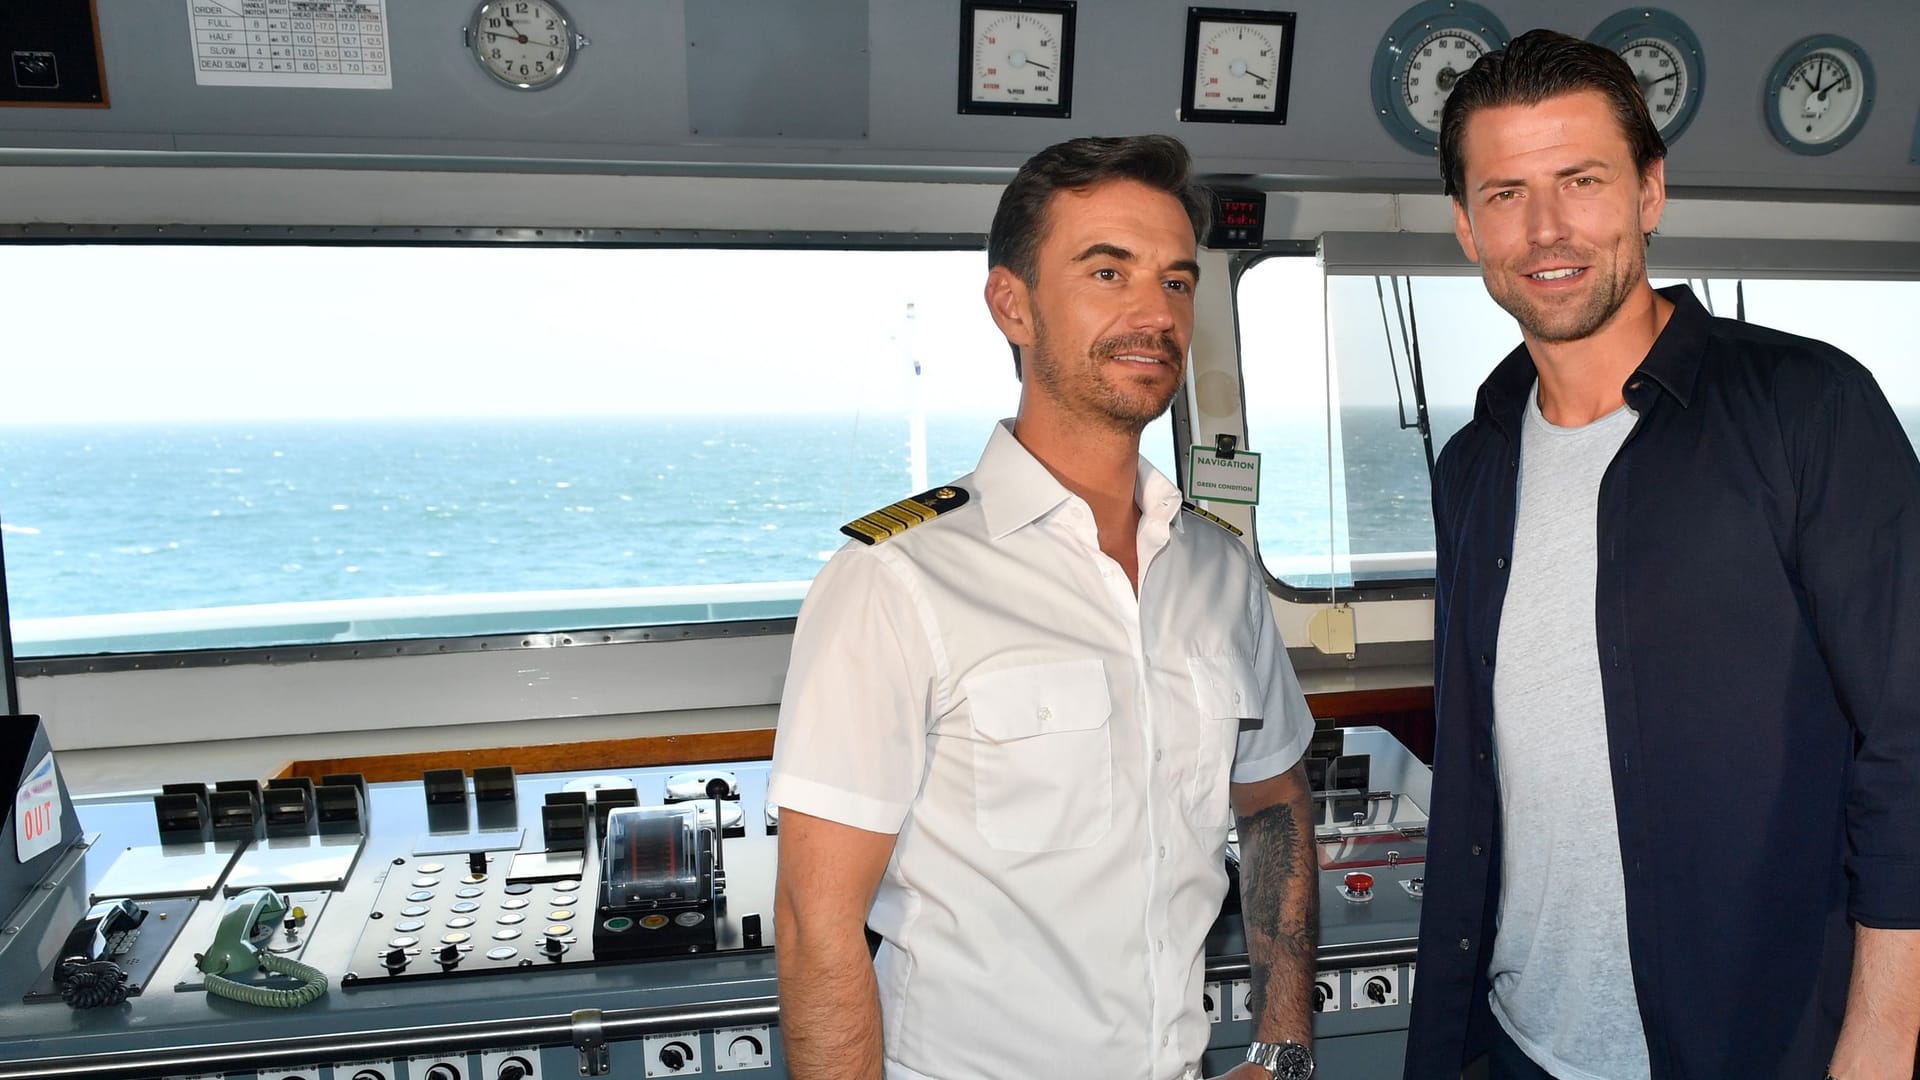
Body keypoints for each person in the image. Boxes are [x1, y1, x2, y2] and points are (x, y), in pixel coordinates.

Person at [1405, 28, 1920, 1080]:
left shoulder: (1809, 408)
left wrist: (1884, 1038)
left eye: (1581, 180)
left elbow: (1910, 744)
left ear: (1649, 192)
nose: (1545, 228)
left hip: (1756, 1045)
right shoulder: (1472, 464)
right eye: (1505, 193)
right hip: (1515, 1043)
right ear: (1465, 226)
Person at [768, 134, 1319, 1080]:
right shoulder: (897, 579)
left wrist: (1284, 1043)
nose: (1154, 312)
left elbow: (1271, 805)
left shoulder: (1220, 572)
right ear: (1011, 304)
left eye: (1178, 282)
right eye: (1108, 272)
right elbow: (815, 925)